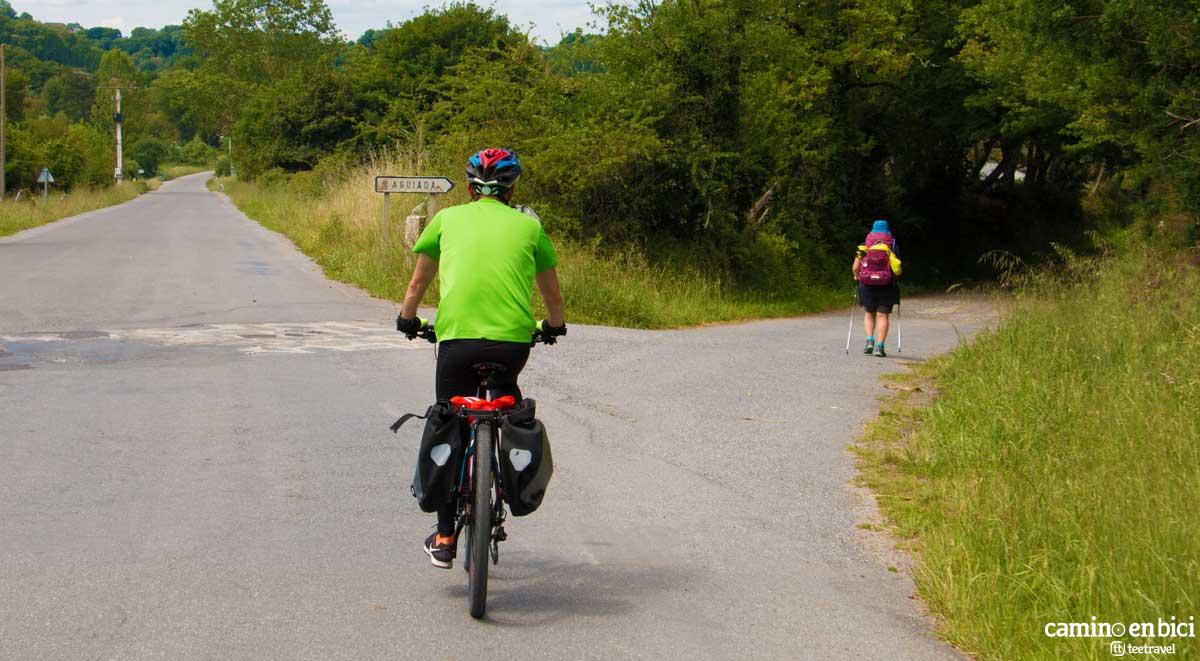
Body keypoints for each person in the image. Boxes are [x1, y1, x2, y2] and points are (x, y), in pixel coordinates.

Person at [396, 147, 566, 568]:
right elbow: (552, 295)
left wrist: (407, 320)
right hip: (512, 344)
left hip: (457, 341)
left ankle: (446, 535)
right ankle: (506, 483)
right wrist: (553, 327)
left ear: (470, 187)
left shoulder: (446, 220)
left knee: (450, 417)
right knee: (507, 406)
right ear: (512, 189)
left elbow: (417, 284)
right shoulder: (529, 228)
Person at [852, 219, 902, 357]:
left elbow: (856, 267)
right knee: (882, 315)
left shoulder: (864, 245)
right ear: (888, 231)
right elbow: (897, 267)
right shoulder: (892, 244)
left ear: (872, 231)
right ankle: (880, 347)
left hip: (867, 284)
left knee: (869, 314)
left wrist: (857, 276)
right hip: (887, 285)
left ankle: (869, 341)